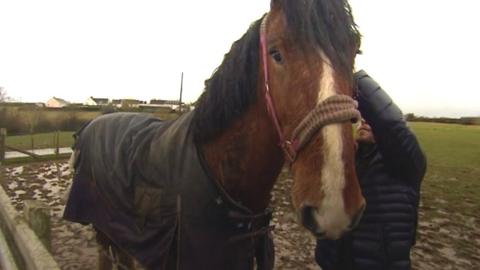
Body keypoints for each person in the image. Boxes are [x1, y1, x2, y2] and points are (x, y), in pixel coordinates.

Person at [315, 70, 427, 270]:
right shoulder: (347, 162)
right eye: (363, 118)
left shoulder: (407, 164)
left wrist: (348, 74)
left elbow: (390, 123)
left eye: (372, 120)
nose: (365, 121)